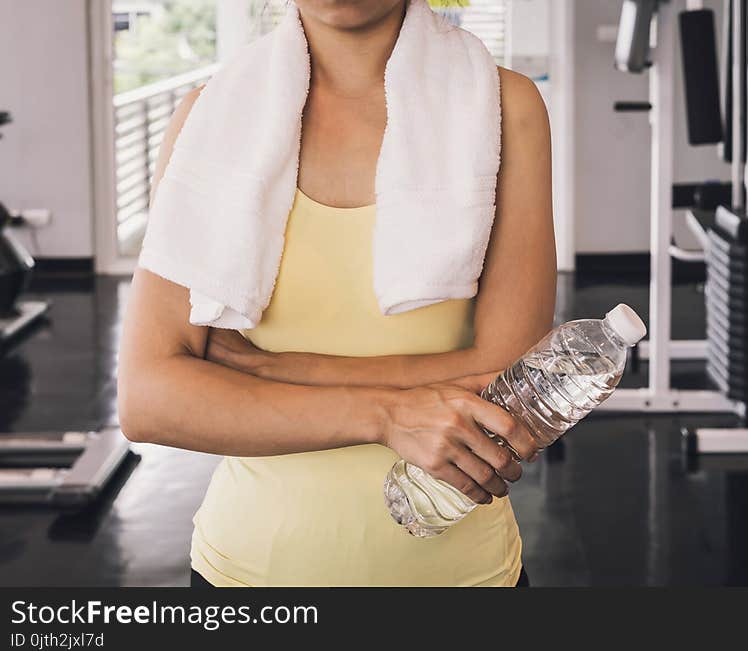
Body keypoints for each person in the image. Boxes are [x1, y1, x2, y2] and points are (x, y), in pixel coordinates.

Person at [118, 0, 555, 587]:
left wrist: (267, 372)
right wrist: (386, 415)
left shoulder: (505, 106)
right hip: (247, 576)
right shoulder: (208, 121)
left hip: (462, 577)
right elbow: (149, 399)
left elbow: (510, 383)